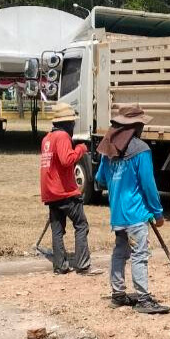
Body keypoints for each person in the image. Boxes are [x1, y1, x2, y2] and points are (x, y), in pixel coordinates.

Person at [94, 104, 170, 315]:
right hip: (136, 214)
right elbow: (148, 184)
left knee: (120, 252)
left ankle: (118, 295)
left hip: (117, 214)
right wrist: (158, 213)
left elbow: (100, 179)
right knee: (139, 255)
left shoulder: (108, 149)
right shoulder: (141, 150)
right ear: (136, 127)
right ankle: (144, 299)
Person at [39, 102, 98, 275]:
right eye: (72, 122)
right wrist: (80, 148)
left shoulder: (47, 138)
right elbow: (66, 160)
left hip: (50, 191)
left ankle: (60, 265)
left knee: (57, 229)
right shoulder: (62, 136)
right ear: (66, 123)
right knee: (81, 225)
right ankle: (82, 264)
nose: (73, 125)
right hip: (64, 191)